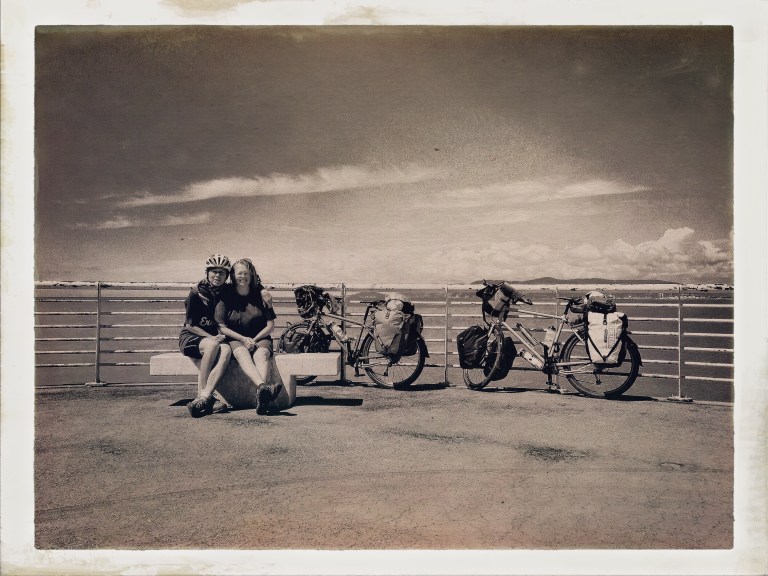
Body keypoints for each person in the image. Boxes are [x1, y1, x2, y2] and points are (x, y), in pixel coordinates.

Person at [215, 258, 279, 415]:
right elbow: (221, 327)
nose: (242, 277)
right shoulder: (226, 294)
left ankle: (261, 396)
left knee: (262, 354)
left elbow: (270, 326)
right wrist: (243, 339)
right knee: (241, 353)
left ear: (252, 275)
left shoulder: (261, 295)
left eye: (246, 273)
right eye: (239, 273)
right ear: (233, 275)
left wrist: (254, 340)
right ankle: (263, 390)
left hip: (260, 337)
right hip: (235, 338)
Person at [179, 254, 234, 418]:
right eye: (214, 271)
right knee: (212, 345)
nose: (217, 275)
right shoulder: (196, 293)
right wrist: (210, 337)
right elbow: (190, 325)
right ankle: (204, 396)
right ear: (207, 272)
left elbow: (249, 285)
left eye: (222, 272)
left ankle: (204, 398)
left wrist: (264, 292)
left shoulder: (226, 291)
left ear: (227, 275)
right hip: (191, 336)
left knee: (226, 350)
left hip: (213, 338)